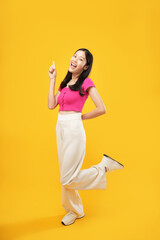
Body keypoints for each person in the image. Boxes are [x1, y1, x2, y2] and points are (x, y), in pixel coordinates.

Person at [48, 48, 124, 226]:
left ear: (85, 66)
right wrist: (52, 79)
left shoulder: (86, 82)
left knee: (67, 178)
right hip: (60, 128)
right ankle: (75, 210)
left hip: (74, 129)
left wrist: (80, 117)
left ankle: (103, 168)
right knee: (66, 175)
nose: (75, 59)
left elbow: (101, 108)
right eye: (74, 55)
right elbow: (52, 105)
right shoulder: (65, 83)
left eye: (80, 59)